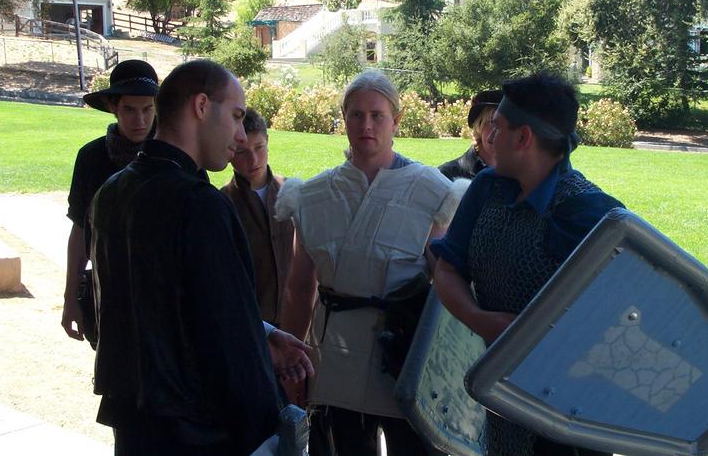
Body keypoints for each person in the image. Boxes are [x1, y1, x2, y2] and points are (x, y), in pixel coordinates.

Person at [88, 59, 313, 456]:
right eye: (237, 116)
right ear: (202, 106)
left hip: (134, 423)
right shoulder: (200, 204)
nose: (241, 136)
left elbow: (158, 304)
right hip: (197, 429)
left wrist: (261, 332)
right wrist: (268, 435)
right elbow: (226, 337)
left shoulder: (111, 191)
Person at [430, 73, 624, 456]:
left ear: (523, 138)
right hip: (501, 389)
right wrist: (479, 319)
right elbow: (447, 269)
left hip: (568, 411)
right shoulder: (486, 189)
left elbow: (620, 318)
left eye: (498, 127)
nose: (489, 137)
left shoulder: (589, 214)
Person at [276, 69, 466, 456]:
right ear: (343, 119)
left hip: (402, 357)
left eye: (377, 115)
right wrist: (290, 358)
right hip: (333, 361)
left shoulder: (432, 192)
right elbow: (299, 287)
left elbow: (445, 283)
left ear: (396, 120)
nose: (366, 125)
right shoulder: (312, 196)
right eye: (356, 115)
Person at [61, 59, 158, 343]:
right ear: (113, 107)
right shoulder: (91, 158)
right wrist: (70, 297)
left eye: (147, 109)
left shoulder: (176, 156)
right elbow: (80, 230)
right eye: (129, 110)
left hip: (164, 292)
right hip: (110, 290)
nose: (140, 121)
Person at [222, 108, 294, 326]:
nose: (253, 159)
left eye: (259, 147)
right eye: (242, 152)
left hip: (296, 320)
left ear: (268, 142)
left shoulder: (292, 192)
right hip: (250, 324)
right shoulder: (223, 204)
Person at [438, 90, 502, 181]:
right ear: (479, 125)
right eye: (494, 123)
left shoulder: (518, 176)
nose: (502, 133)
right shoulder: (447, 176)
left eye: (512, 126)